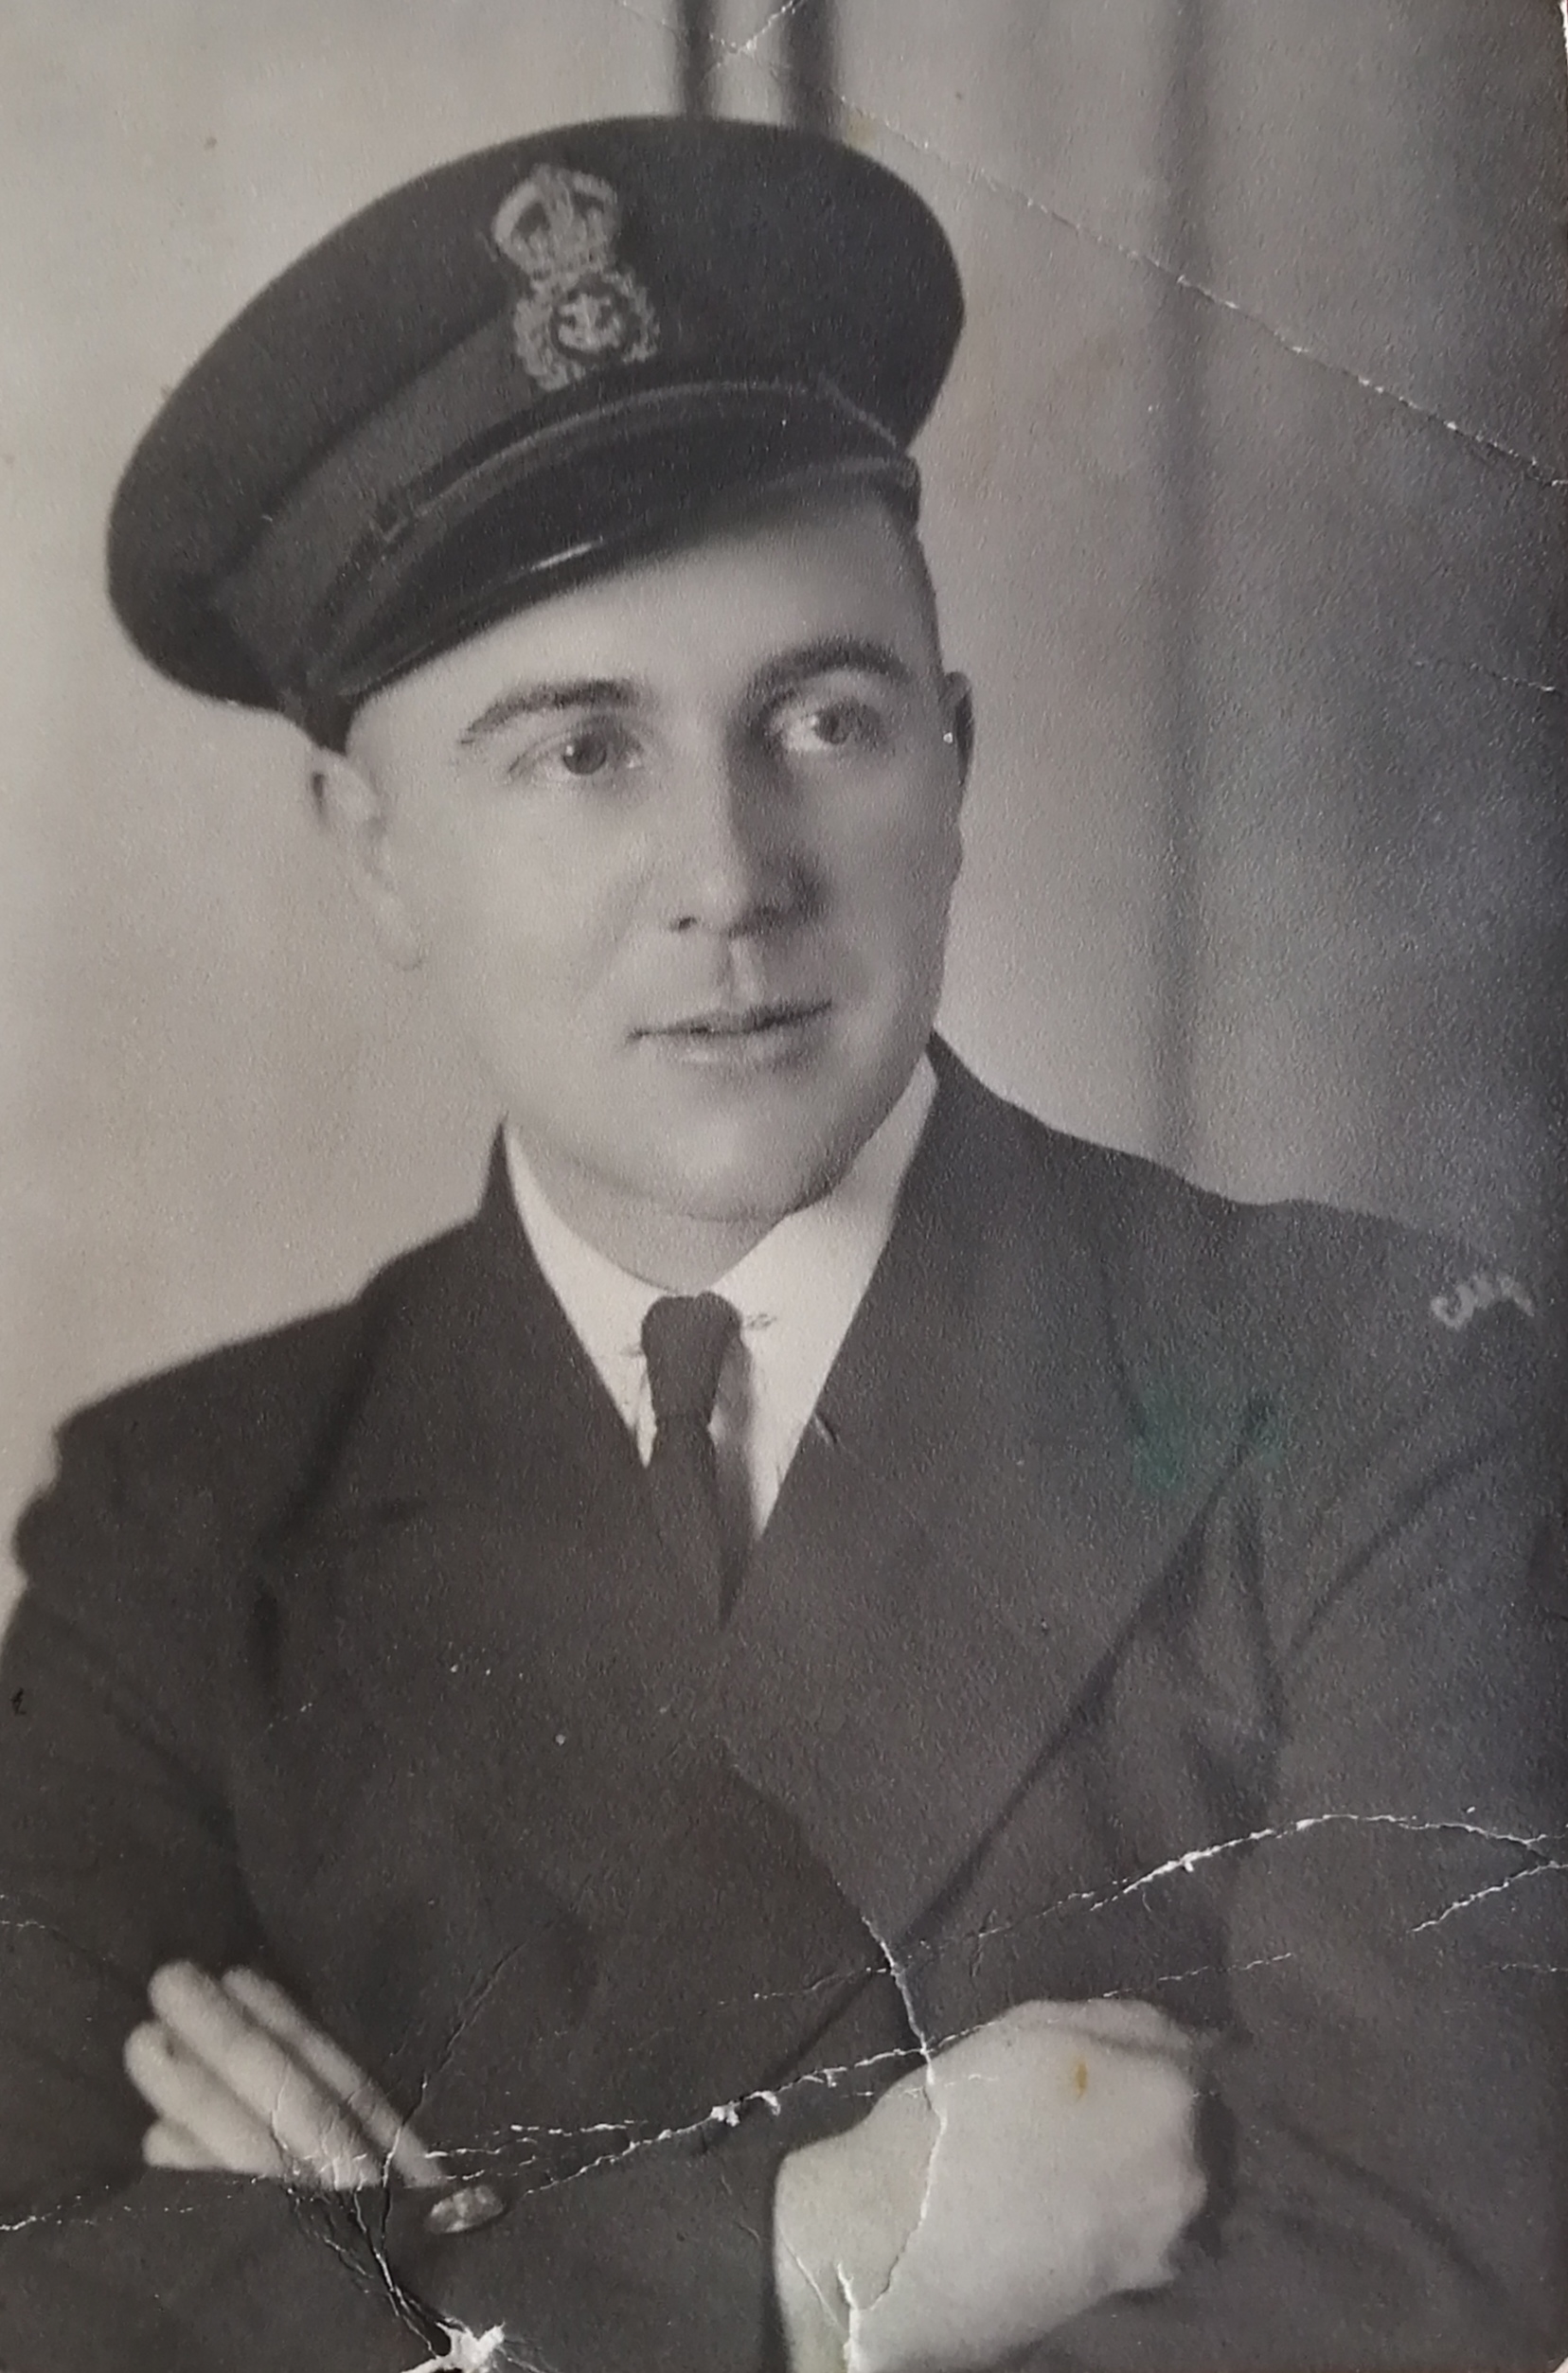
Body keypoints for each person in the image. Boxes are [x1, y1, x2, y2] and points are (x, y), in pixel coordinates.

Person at [0, 113, 1562, 2373]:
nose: (730, 875)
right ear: (374, 847)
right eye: (580, 752)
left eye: (821, 720)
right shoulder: (183, 1533)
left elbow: (1444, 2294)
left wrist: (403, 2284)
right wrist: (811, 2251)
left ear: (953, 764)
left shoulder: (1366, 1394)